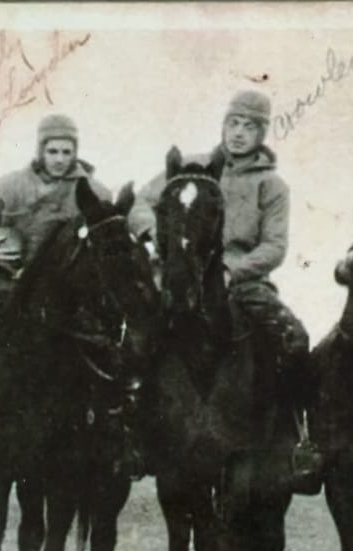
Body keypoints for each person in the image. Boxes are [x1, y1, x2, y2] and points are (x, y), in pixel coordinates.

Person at [128, 90, 320, 490]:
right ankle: (132, 436)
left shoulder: (272, 185)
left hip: (244, 282)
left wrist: (235, 269)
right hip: (182, 278)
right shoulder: (190, 168)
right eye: (233, 124)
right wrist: (159, 237)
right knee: (138, 336)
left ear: (262, 133)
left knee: (293, 340)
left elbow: (275, 246)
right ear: (224, 126)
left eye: (249, 126)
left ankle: (299, 438)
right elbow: (140, 206)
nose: (238, 133)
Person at [0, 113, 120, 474]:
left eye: (66, 151)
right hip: (5, 297)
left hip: (72, 309)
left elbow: (117, 227)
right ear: (40, 150)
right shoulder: (9, 187)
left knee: (116, 357)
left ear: (76, 151)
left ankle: (117, 439)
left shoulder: (94, 191)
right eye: (52, 150)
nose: (59, 158)